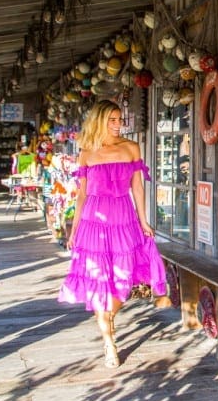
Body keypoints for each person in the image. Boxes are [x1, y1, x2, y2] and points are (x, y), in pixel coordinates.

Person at [58, 100, 169, 368]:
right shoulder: (87, 153)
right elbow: (82, 194)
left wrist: (144, 221)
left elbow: (138, 189)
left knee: (123, 276)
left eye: (120, 120)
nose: (119, 125)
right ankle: (109, 343)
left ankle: (108, 317)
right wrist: (74, 230)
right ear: (99, 121)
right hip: (93, 221)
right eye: (113, 120)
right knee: (98, 279)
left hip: (123, 216)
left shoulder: (131, 149)